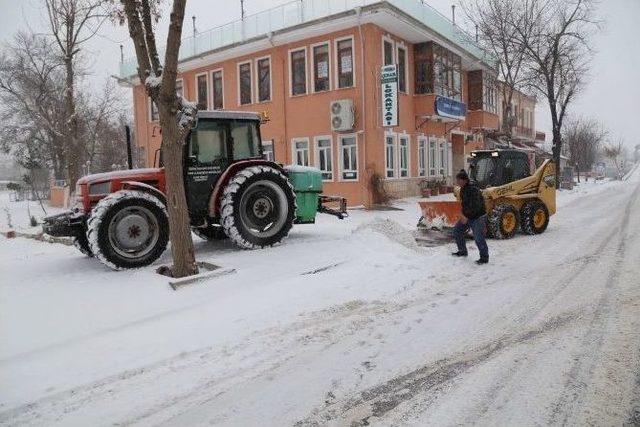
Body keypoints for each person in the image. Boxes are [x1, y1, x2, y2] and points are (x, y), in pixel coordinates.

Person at [451, 169, 489, 264]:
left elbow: (476, 206)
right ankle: (463, 251)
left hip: (477, 217)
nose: (457, 182)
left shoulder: (473, 189)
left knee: (478, 238)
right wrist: (463, 214)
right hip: (468, 216)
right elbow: (465, 205)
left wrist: (466, 216)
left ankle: (484, 258)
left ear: (464, 180)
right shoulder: (463, 189)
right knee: (457, 231)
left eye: (458, 180)